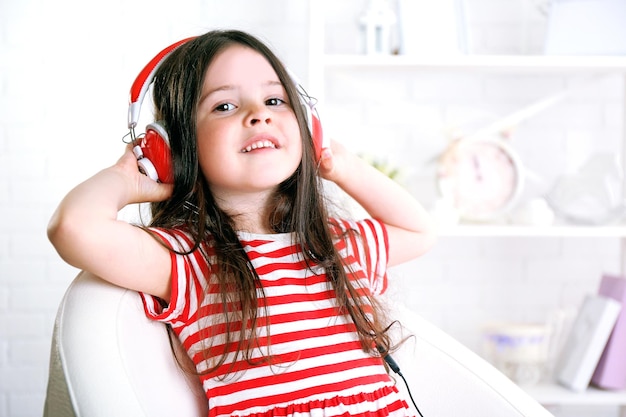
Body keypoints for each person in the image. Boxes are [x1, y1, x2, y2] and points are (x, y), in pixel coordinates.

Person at [47, 29, 437, 417]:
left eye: (274, 99)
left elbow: (419, 231)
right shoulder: (190, 261)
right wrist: (126, 179)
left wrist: (342, 165)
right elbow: (74, 228)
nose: (259, 114)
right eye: (224, 106)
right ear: (174, 148)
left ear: (309, 128)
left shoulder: (338, 246)